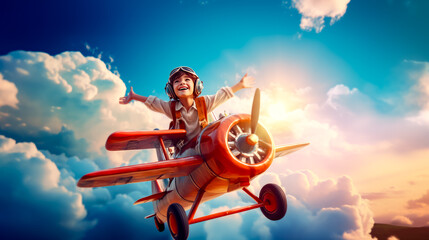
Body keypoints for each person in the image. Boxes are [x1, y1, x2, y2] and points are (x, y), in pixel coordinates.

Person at [119, 66, 254, 157]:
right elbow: (155, 103)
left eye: (187, 80)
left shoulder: (205, 102)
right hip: (184, 153)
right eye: (177, 81)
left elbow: (222, 95)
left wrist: (239, 85)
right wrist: (134, 96)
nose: (182, 83)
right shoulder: (171, 108)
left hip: (206, 148)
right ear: (171, 90)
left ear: (197, 85)